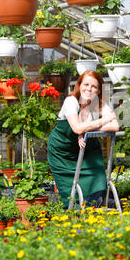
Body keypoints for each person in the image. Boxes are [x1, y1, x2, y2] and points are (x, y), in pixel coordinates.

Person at [47, 70, 119, 208]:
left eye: (94, 86)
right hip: (62, 152)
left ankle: (92, 213)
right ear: (79, 85)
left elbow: (114, 126)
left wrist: (87, 129)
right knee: (69, 190)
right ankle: (72, 220)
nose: (89, 89)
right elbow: (77, 128)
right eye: (86, 84)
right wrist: (102, 121)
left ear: (98, 90)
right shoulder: (71, 101)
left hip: (86, 147)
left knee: (98, 179)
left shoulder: (99, 103)